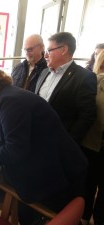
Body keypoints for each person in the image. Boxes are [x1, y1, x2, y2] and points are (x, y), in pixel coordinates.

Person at [0, 63, 88, 224]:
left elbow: (15, 150)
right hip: (51, 170)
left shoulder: (10, 101)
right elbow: (18, 137)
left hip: (56, 176)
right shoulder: (11, 97)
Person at [35, 32, 97, 144]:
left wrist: (68, 142)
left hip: (59, 142)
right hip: (36, 136)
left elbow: (87, 116)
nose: (45, 55)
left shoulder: (84, 77)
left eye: (49, 50)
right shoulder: (44, 72)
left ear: (64, 50)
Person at [81, 49, 104, 225]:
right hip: (92, 143)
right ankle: (84, 217)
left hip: (95, 143)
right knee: (88, 186)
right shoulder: (94, 82)